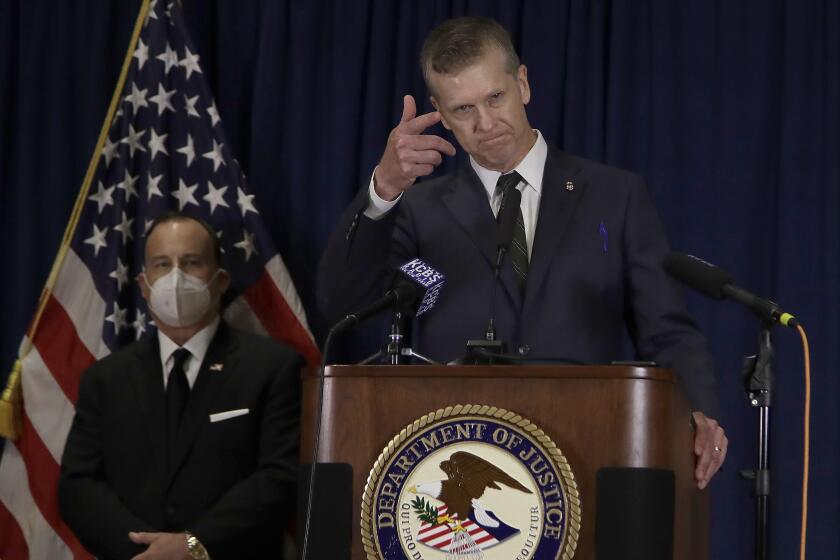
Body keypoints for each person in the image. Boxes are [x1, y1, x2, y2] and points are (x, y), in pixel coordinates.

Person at [318, 16, 727, 488]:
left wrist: (698, 411)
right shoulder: (417, 210)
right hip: (457, 465)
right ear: (440, 113)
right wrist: (384, 188)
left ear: (524, 84)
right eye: (464, 108)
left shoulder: (615, 197)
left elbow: (666, 330)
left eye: (495, 98)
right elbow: (343, 305)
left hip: (585, 456)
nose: (486, 123)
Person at [59, 212, 302, 560]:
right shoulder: (104, 379)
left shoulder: (272, 368)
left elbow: (280, 478)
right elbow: (77, 487)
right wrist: (147, 552)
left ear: (220, 280)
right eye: (162, 264)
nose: (176, 277)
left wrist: (193, 544)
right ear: (144, 285)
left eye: (191, 262)